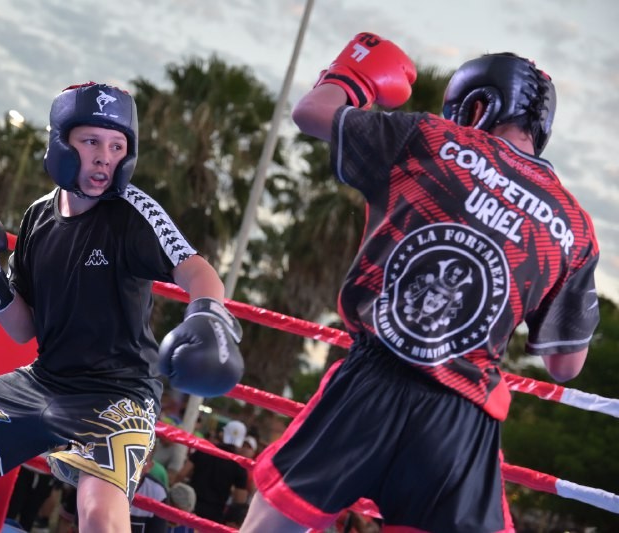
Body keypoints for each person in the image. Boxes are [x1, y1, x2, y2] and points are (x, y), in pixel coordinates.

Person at [241, 33, 600, 533]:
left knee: (273, 523)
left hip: (375, 379)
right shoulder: (574, 226)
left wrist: (352, 73)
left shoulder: (433, 139)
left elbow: (312, 113)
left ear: (477, 106)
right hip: (462, 418)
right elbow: (565, 366)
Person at [0, 82, 245, 532]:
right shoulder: (37, 218)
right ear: (61, 143)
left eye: (116, 146)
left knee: (99, 513)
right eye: (91, 142)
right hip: (44, 382)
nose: (104, 157)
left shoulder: (132, 211)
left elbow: (197, 270)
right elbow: (22, 328)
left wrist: (207, 312)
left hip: (119, 393)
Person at [173, 419, 249, 524]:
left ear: (223, 433)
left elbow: (182, 474)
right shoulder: (239, 464)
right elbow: (240, 501)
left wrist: (175, 495)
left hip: (190, 508)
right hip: (213, 516)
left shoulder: (205, 449)